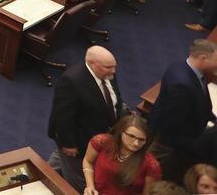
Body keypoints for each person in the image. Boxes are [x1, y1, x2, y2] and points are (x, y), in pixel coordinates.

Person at [47, 46, 126, 191]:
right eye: (108, 67)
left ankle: (43, 175)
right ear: (91, 63)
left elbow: (115, 99)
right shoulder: (71, 81)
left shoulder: (107, 74)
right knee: (78, 179)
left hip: (100, 132)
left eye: (114, 66)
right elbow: (62, 116)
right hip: (80, 141)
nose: (113, 71)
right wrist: (67, 143)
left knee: (58, 162)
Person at [148, 40, 217, 180]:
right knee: (157, 174)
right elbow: (172, 130)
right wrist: (198, 147)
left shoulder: (182, 66)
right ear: (203, 58)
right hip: (169, 146)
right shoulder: (182, 85)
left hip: (183, 133)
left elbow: (198, 100)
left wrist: (211, 117)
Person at [83, 114, 160, 195]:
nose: (136, 143)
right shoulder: (102, 142)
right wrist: (90, 187)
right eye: (131, 136)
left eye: (142, 140)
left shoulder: (151, 164)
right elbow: (88, 161)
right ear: (121, 132)